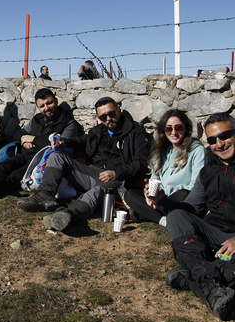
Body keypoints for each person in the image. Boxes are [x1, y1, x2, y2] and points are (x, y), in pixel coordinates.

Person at [148, 112, 235, 320]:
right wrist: (163, 201)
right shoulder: (208, 170)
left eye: (225, 136)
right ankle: (210, 282)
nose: (220, 144)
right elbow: (191, 208)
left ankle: (198, 275)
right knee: (177, 216)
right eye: (213, 140)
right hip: (214, 235)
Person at [17, 97, 151, 232]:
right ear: (99, 118)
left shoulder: (136, 133)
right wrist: (65, 142)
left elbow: (141, 162)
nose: (108, 119)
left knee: (98, 190)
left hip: (117, 179)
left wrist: (116, 173)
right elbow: (84, 140)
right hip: (93, 173)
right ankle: (45, 195)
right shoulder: (99, 131)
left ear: (119, 111)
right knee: (56, 156)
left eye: (111, 114)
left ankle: (69, 214)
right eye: (103, 117)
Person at [0, 88, 83, 200]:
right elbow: (18, 134)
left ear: (55, 101)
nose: (46, 108)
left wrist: (33, 139)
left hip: (41, 162)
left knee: (15, 177)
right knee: (4, 166)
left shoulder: (68, 124)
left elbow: (58, 147)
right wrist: (24, 140)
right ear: (38, 107)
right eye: (42, 106)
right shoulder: (37, 119)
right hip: (26, 153)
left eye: (49, 103)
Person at [123, 109, 207, 226]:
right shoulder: (163, 150)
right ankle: (163, 219)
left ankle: (144, 213)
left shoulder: (197, 150)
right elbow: (155, 178)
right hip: (160, 197)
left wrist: (161, 195)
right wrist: (150, 194)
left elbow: (196, 186)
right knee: (130, 195)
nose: (174, 132)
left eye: (179, 128)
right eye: (169, 129)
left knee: (183, 194)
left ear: (186, 128)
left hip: (178, 196)